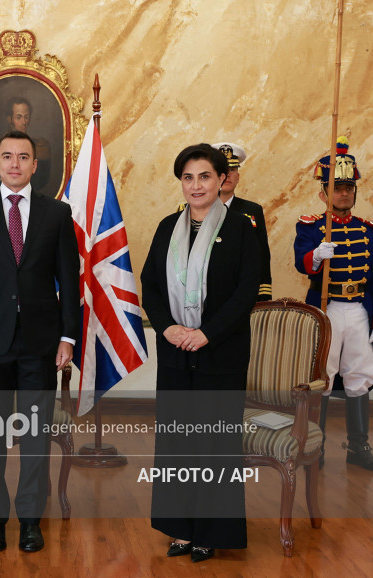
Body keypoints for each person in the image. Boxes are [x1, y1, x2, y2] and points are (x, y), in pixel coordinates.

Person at [0, 130, 79, 553]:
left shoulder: (58, 214)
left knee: (36, 434)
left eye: (24, 157)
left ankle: (29, 519)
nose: (15, 164)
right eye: (7, 156)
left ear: (35, 165)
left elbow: (69, 279)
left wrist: (67, 336)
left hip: (41, 342)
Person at [140, 143, 260, 563]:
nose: (196, 185)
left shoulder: (243, 228)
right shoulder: (165, 227)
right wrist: (169, 327)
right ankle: (182, 530)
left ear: (221, 180)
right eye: (188, 177)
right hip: (175, 351)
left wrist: (206, 333)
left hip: (219, 353)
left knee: (214, 445)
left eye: (204, 176)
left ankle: (210, 532)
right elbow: (150, 286)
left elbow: (247, 291)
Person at [294, 137, 373, 471]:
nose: (344, 193)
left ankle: (358, 447)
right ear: (324, 193)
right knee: (322, 377)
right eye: (337, 187)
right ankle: (313, 449)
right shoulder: (312, 226)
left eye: (348, 187)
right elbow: (299, 262)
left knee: (360, 375)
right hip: (327, 309)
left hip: (358, 309)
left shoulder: (367, 230)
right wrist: (316, 256)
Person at [212, 142, 272, 300]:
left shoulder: (253, 211)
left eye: (232, 169)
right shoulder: (192, 210)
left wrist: (263, 296)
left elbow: (262, 257)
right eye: (221, 170)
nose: (227, 175)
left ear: (238, 176)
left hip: (242, 296)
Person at [0, 97, 52, 195]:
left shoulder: (42, 147)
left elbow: (42, 180)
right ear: (10, 119)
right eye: (18, 117)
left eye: (26, 117)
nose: (24, 122)